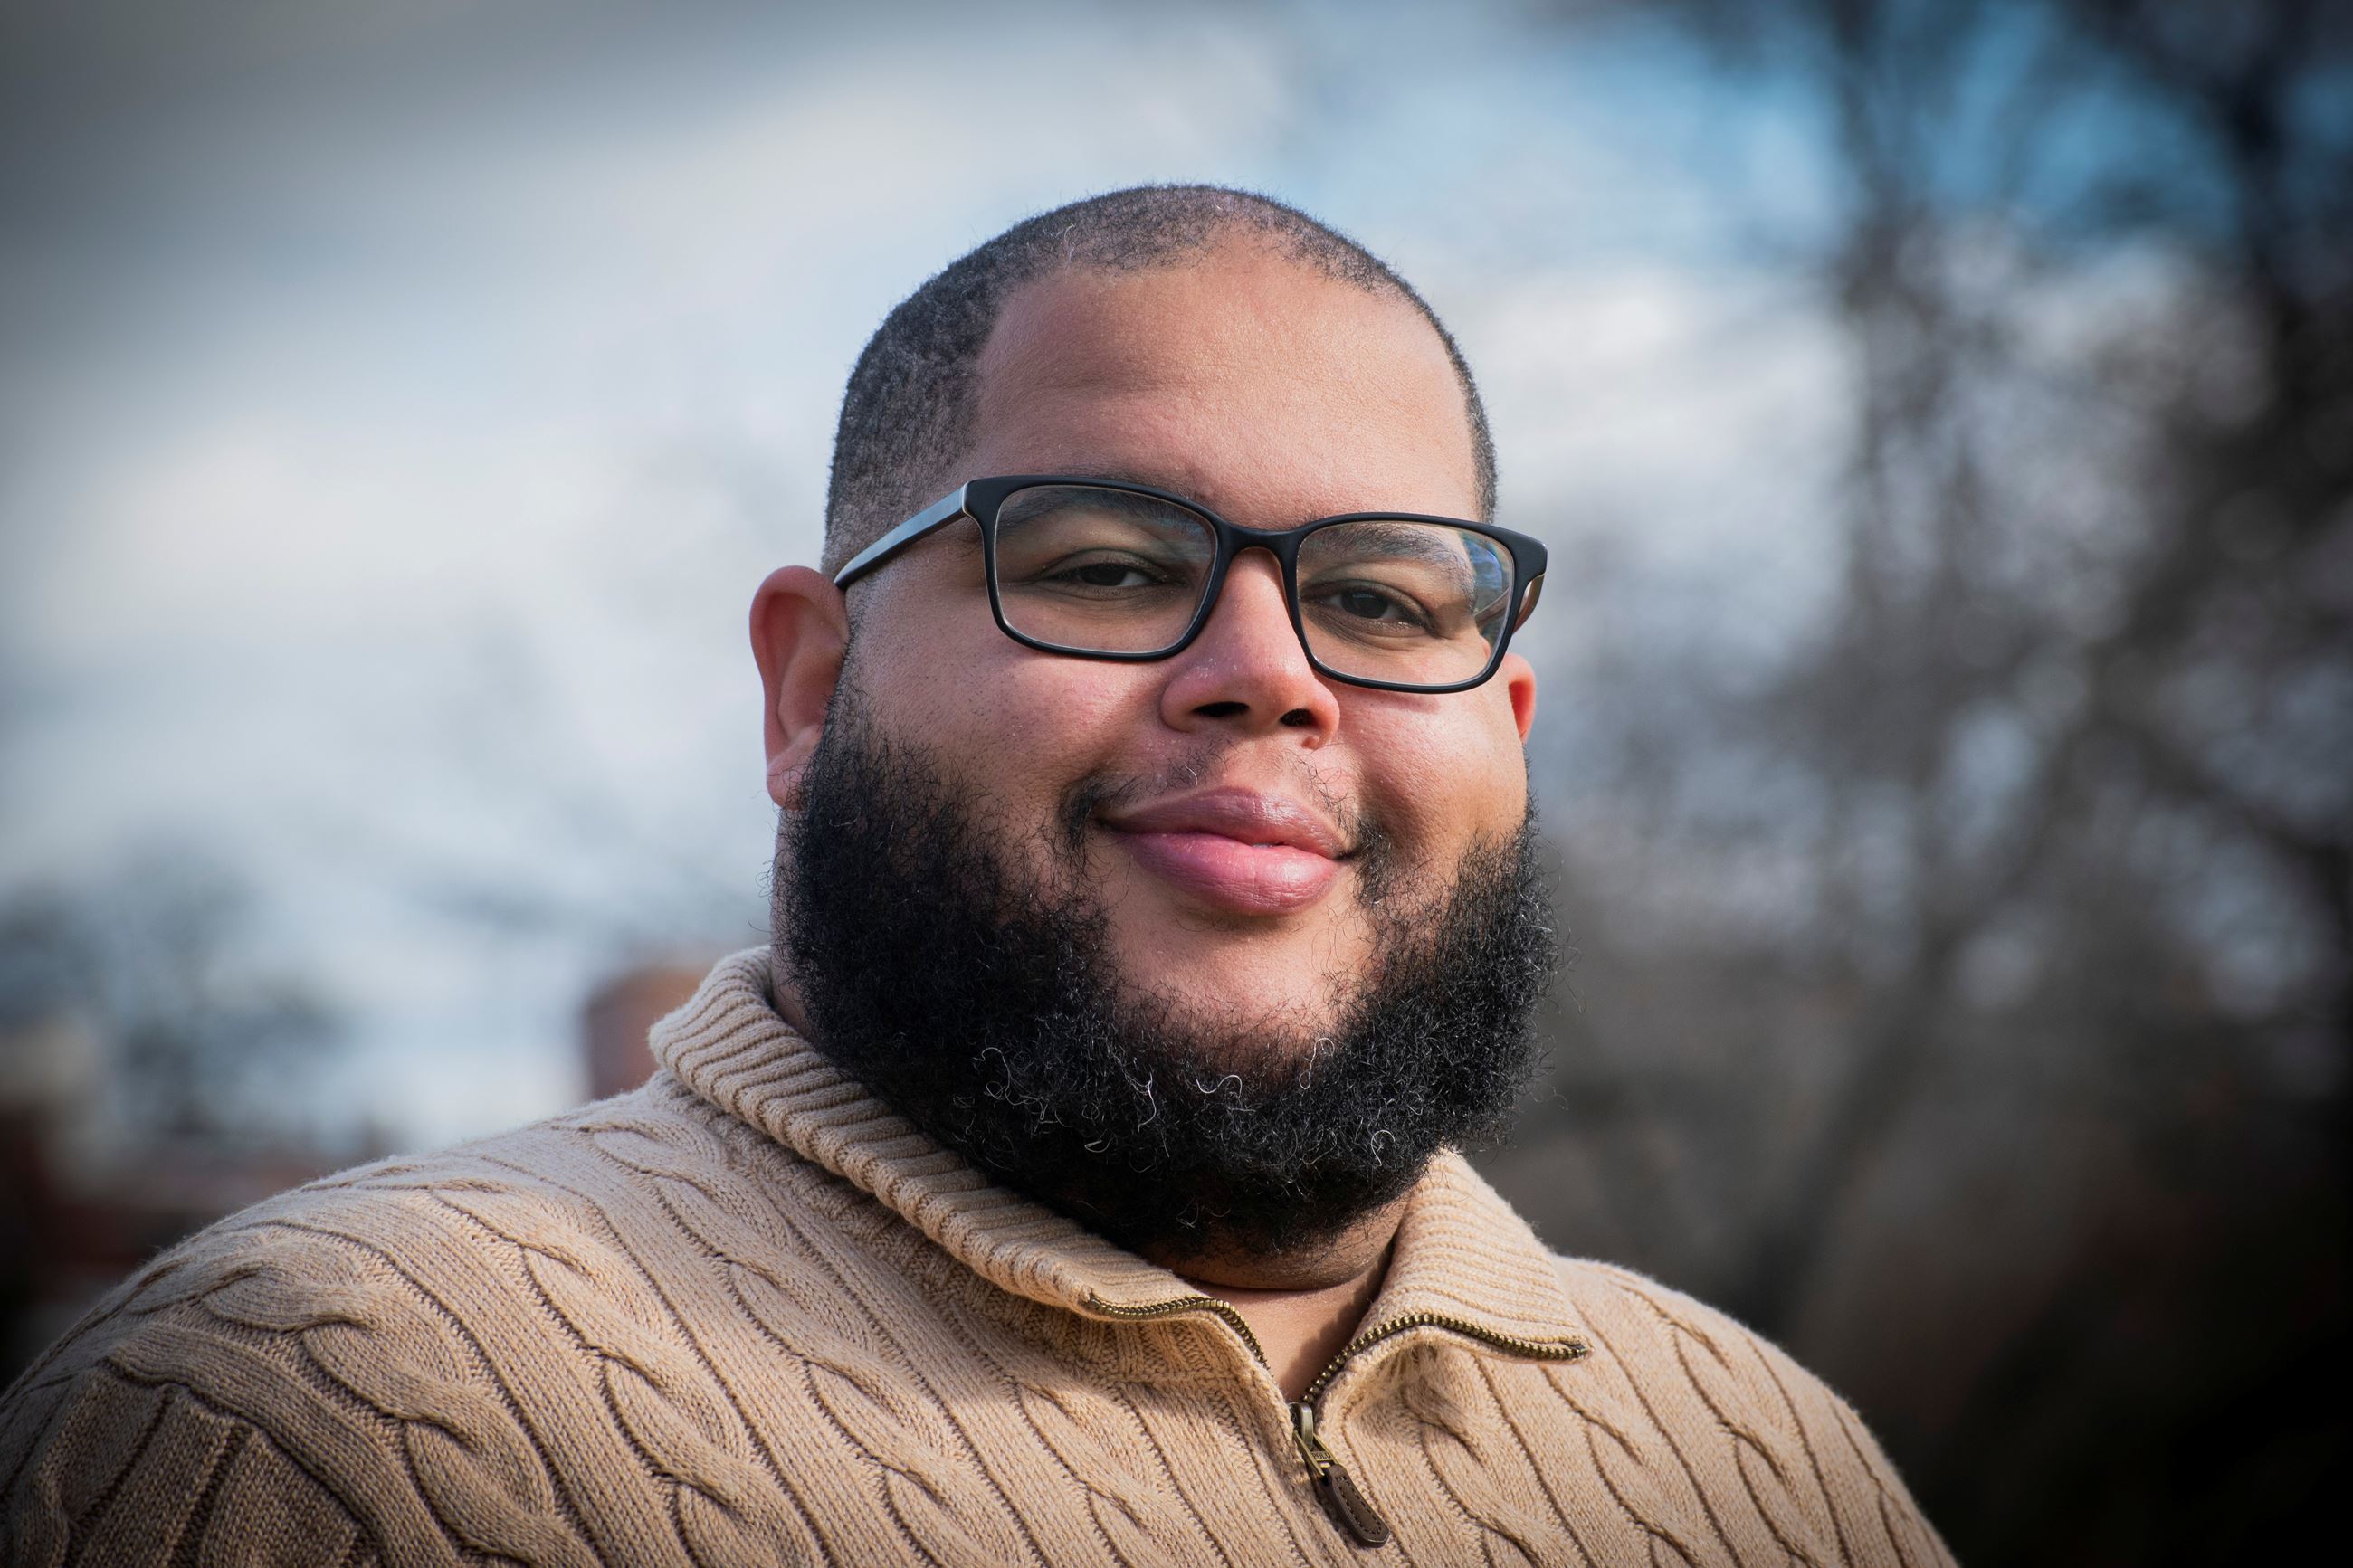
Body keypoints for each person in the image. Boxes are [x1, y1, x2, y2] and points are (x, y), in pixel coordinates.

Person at [0, 186, 1949, 1565]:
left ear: (1506, 729)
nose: (1271, 674)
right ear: (812, 688)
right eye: (1105, 563)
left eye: (1375, 597)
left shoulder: (1766, 1463)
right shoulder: (301, 1424)